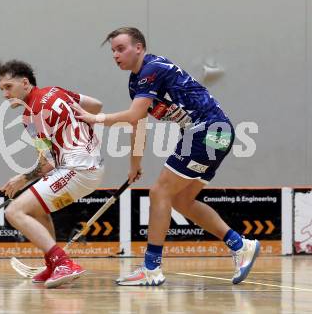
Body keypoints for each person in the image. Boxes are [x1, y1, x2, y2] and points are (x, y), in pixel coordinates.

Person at [73, 27, 259, 286]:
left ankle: (151, 268)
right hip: (212, 133)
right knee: (182, 200)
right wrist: (134, 165)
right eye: (113, 51)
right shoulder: (136, 81)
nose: (116, 55)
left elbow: (134, 115)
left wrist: (96, 118)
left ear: (139, 47)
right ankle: (241, 246)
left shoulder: (152, 69)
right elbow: (138, 124)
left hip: (207, 131)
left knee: (160, 193)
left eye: (121, 48)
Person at [0, 59, 104, 288]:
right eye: (2, 89)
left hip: (77, 169)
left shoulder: (31, 116)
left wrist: (22, 178)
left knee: (14, 211)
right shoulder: (56, 91)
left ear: (25, 83)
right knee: (36, 209)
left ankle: (63, 263)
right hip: (89, 167)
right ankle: (53, 265)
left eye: (8, 87)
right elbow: (96, 105)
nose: (5, 95)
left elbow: (47, 163)